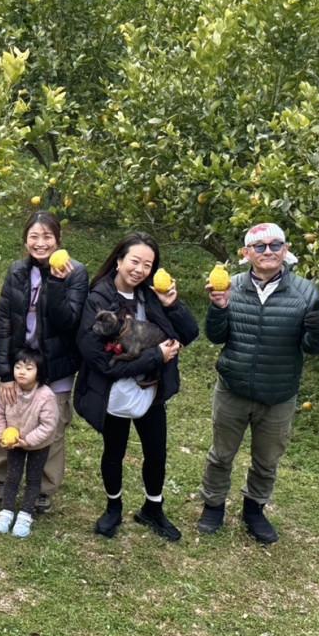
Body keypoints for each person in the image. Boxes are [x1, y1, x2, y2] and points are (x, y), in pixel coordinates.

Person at [198, 223, 319, 544]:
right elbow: (216, 336)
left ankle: (254, 509)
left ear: (286, 250)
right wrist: (219, 308)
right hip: (233, 388)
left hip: (278, 394)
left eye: (275, 245)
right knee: (221, 455)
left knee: (267, 460)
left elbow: (315, 346)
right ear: (247, 254)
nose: (268, 251)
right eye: (259, 247)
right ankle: (213, 504)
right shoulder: (232, 286)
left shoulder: (305, 292)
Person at [75, 232, 199, 542]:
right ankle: (112, 508)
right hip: (114, 392)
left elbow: (190, 333)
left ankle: (152, 509)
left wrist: (173, 305)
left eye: (148, 264)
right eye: (135, 261)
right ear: (118, 261)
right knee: (114, 451)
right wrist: (155, 356)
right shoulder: (98, 299)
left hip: (152, 390)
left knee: (156, 452)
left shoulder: (153, 294)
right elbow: (102, 362)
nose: (140, 269)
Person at [0, 211, 87, 512]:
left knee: (51, 428)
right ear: (25, 239)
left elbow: (69, 321)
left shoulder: (75, 273)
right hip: (20, 365)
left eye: (47, 237)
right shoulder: (17, 271)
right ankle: (0, 477)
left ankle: (42, 487)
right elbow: (4, 321)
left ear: (58, 240)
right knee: (6, 417)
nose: (40, 243)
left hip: (56, 367)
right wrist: (4, 373)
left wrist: (56, 284)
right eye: (34, 236)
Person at [0, 348, 60, 538]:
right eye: (18, 367)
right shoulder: (8, 391)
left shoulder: (46, 396)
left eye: (28, 368)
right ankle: (6, 512)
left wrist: (26, 441)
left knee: (33, 479)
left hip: (38, 445)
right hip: (13, 443)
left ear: (39, 372)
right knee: (12, 476)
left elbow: (48, 426)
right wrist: (0, 435)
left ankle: (25, 515)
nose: (21, 372)